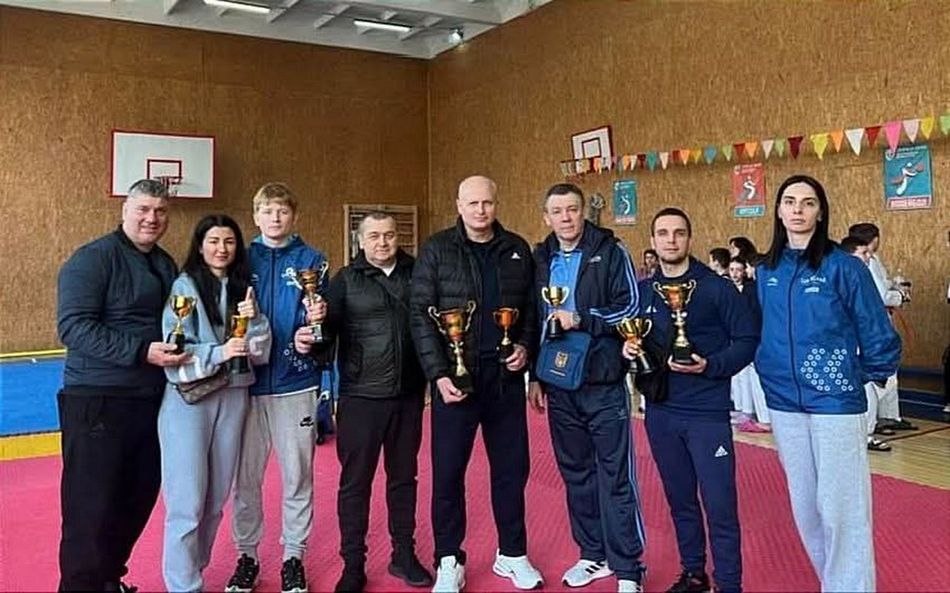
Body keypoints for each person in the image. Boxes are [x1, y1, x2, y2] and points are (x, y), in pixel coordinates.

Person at [756, 175, 900, 592]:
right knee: (806, 508)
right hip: (784, 402)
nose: (798, 210)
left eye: (808, 202)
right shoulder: (766, 271)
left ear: (820, 212)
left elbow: (877, 330)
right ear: (779, 210)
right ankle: (833, 584)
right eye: (789, 201)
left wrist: (863, 377)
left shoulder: (844, 267)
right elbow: (757, 329)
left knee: (842, 510)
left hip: (835, 404)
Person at [56, 178, 189, 592]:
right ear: (125, 210)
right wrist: (140, 351)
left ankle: (109, 580)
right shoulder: (93, 259)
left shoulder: (165, 264)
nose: (152, 218)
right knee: (90, 510)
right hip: (98, 400)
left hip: (149, 399)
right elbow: (73, 327)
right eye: (143, 209)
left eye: (160, 211)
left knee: (136, 498)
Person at [410, 175, 541, 593]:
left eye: (487, 203)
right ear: (459, 205)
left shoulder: (517, 249)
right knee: (448, 473)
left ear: (496, 204)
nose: (480, 210)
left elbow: (531, 311)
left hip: (504, 380)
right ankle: (449, 558)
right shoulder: (436, 249)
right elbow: (420, 315)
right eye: (472, 203)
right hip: (455, 382)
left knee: (512, 471)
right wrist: (438, 373)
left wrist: (524, 347)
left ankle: (512, 553)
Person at [294, 212, 432, 592]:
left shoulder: (418, 273)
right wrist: (313, 329)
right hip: (360, 397)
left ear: (397, 237)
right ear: (360, 240)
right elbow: (325, 338)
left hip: (408, 396)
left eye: (388, 235)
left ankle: (404, 555)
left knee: (404, 480)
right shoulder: (344, 280)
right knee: (355, 484)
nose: (382, 242)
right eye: (374, 236)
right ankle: (353, 565)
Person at [627, 208, 758, 593]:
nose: (671, 240)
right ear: (653, 241)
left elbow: (747, 340)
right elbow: (636, 339)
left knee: (719, 505)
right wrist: (631, 349)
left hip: (707, 413)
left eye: (678, 233)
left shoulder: (716, 288)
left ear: (689, 238)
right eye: (663, 233)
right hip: (661, 411)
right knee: (680, 500)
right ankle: (694, 574)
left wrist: (711, 365)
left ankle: (729, 584)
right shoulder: (644, 292)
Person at [527, 183, 647, 593]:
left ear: (583, 212)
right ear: (546, 217)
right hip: (559, 382)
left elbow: (631, 307)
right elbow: (533, 318)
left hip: (603, 381)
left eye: (573, 209)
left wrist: (581, 318)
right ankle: (593, 554)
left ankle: (628, 568)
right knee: (576, 474)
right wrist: (535, 377)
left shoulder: (611, 251)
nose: (566, 217)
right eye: (557, 211)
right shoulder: (540, 258)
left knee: (615, 476)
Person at [159, 215, 272, 592]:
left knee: (216, 498)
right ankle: (183, 585)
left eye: (229, 241)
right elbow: (174, 349)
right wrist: (218, 352)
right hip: (189, 403)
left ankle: (194, 572)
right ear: (200, 245)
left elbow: (259, 352)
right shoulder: (185, 287)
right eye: (213, 241)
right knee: (187, 500)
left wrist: (255, 322)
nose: (221, 249)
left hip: (234, 396)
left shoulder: (243, 288)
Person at [227, 182, 329, 593]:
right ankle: (247, 556)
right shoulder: (239, 258)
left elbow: (322, 321)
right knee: (245, 479)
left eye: (282, 211)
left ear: (294, 216)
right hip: (246, 385)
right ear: (255, 216)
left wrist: (313, 331)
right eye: (267, 211)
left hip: (295, 382)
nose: (275, 217)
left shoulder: (312, 260)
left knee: (297, 476)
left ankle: (293, 557)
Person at [847, 222, 916, 433]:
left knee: (888, 371)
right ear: (873, 238)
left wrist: (895, 286)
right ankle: (874, 422)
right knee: (876, 375)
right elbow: (880, 295)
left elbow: (882, 287)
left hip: (877, 324)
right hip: (870, 326)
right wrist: (900, 296)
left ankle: (889, 416)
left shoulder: (871, 260)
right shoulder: (860, 263)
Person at [840, 235, 892, 452]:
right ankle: (859, 435)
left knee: (871, 389)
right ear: (849, 255)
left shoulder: (864, 276)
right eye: (864, 253)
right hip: (845, 346)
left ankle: (865, 434)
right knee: (862, 391)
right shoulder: (840, 277)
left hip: (865, 345)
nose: (869, 257)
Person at [726, 257, 770, 434]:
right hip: (742, 336)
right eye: (732, 270)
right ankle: (746, 410)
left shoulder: (753, 288)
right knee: (742, 376)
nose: (735, 274)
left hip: (757, 337)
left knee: (757, 378)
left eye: (739, 269)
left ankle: (764, 418)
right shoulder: (730, 288)